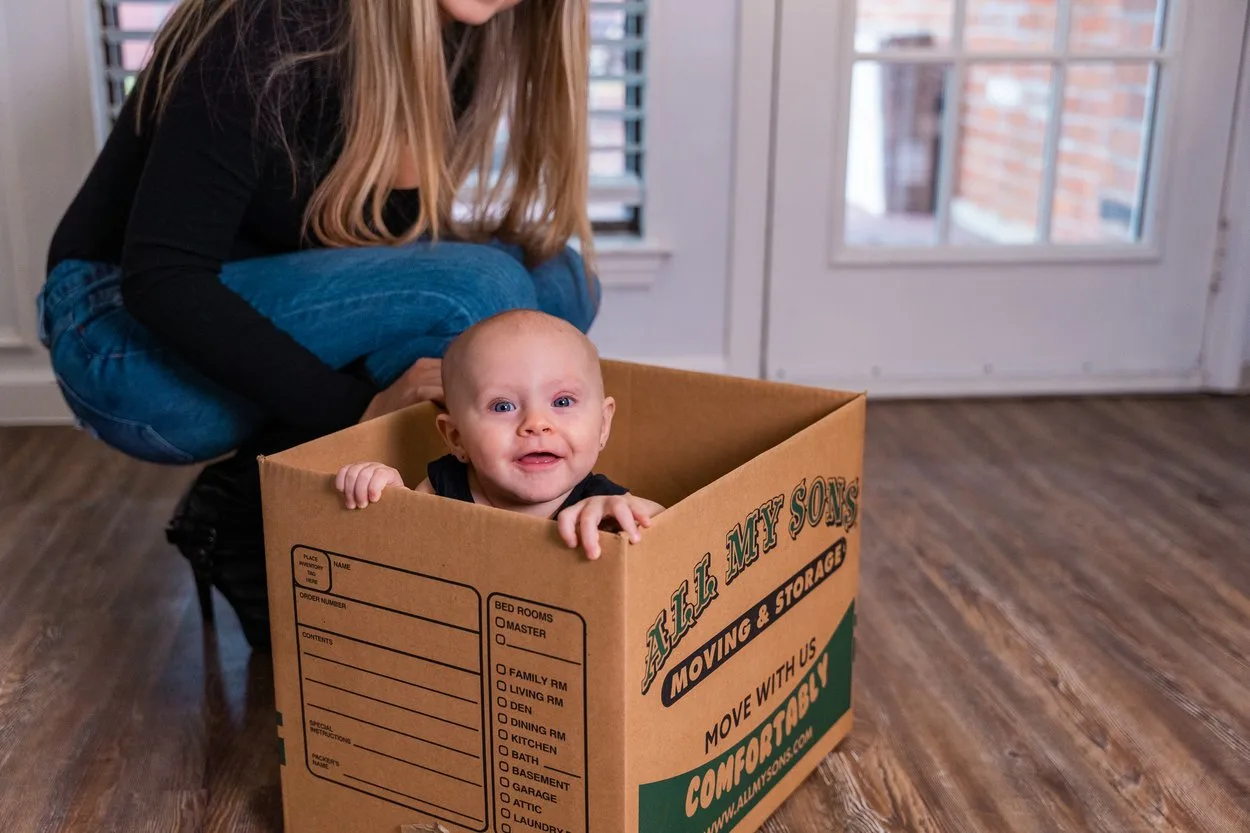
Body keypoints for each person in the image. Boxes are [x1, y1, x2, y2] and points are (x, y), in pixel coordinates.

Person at [36, 0, 603, 650]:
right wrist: (357, 403)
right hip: (117, 338)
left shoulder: (461, 34)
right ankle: (279, 521)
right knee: (488, 291)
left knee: (561, 281)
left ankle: (297, 507)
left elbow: (359, 233)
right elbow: (162, 277)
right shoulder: (275, 23)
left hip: (253, 296)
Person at [335, 310, 664, 559]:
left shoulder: (602, 507)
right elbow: (405, 545)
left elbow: (674, 535)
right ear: (456, 438)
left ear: (603, 425)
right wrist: (388, 497)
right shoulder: (446, 487)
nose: (536, 423)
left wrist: (629, 512)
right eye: (503, 406)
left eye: (562, 401)